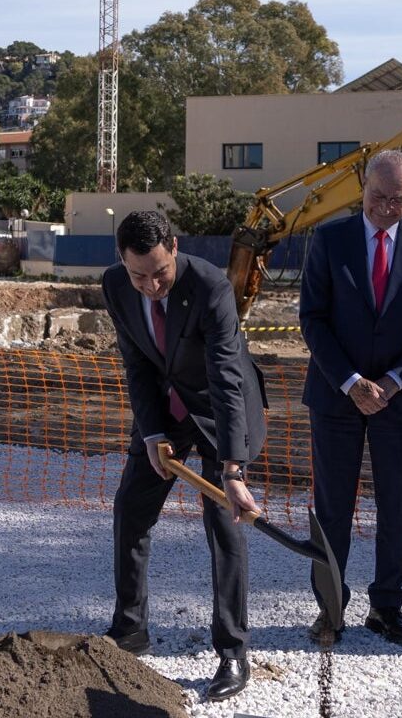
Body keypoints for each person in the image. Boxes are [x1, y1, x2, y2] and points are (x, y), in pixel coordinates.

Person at [101, 211, 267, 703]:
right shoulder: (115, 285)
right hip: (166, 411)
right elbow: (137, 365)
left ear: (174, 247)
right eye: (138, 275)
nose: (150, 285)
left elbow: (225, 376)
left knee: (224, 521)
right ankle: (130, 630)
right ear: (121, 263)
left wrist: (232, 470)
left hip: (221, 410)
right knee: (131, 509)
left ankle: (234, 650)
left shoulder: (212, 285)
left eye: (159, 272)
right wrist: (151, 433)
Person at [299, 149, 402, 646]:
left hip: (399, 403)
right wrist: (351, 382)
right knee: (333, 509)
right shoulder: (328, 238)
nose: (387, 208)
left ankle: (387, 607)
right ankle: (331, 607)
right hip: (336, 397)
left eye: (398, 200)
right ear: (363, 188)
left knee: (396, 507)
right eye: (379, 196)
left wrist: (391, 382)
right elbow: (313, 319)